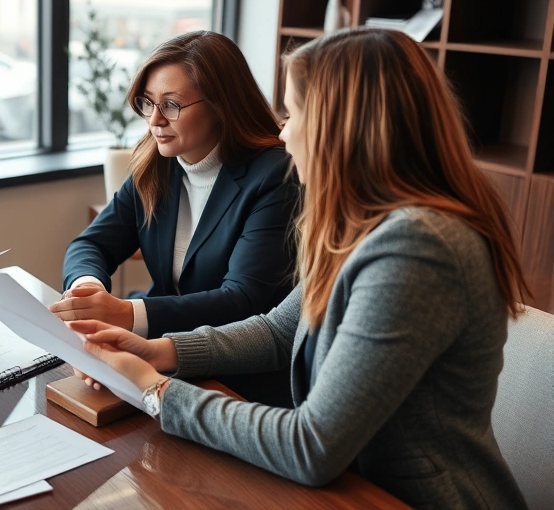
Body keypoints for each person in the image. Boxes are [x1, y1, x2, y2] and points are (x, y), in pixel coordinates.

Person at [68, 28, 528, 508]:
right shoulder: (365, 224)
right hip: (350, 485)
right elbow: (277, 331)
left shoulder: (418, 249)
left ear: (341, 125)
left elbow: (311, 446)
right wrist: (159, 350)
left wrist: (155, 390)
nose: (282, 132)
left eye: (293, 114)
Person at [53, 31, 299, 405]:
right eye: (147, 102)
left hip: (239, 380)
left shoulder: (276, 176)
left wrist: (126, 313)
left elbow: (245, 300)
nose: (154, 120)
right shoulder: (157, 163)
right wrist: (89, 288)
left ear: (221, 105)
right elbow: (93, 243)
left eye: (171, 105)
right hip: (159, 356)